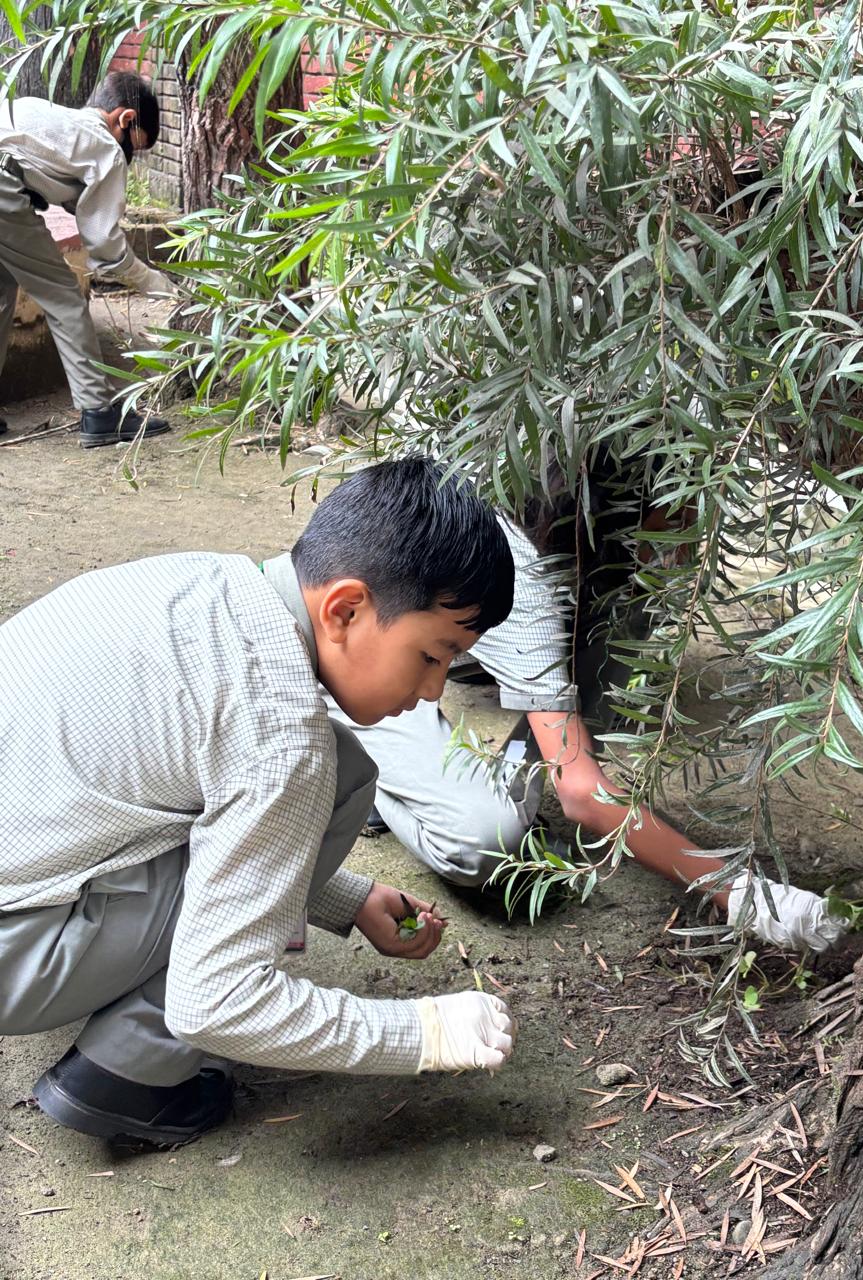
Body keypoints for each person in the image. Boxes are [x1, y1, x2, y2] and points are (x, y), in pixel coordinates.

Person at [0, 457, 517, 1148]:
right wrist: (425, 1032)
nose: (433, 691)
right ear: (346, 609)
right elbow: (216, 1001)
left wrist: (347, 898)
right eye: (432, 655)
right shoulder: (282, 736)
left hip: (28, 882)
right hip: (19, 954)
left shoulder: (203, 579)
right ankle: (130, 1071)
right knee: (336, 777)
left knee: (331, 769)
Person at [326, 508, 847, 954]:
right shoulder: (523, 581)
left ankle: (493, 695)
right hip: (377, 655)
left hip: (480, 621)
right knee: (484, 841)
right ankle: (370, 760)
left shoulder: (608, 548)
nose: (684, 555)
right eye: (678, 525)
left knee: (615, 654)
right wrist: (736, 891)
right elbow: (580, 793)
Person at [0, 71, 174, 447]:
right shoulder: (105, 145)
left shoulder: (47, 113)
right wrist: (159, 287)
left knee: (2, 290)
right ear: (125, 118)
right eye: (134, 148)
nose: (129, 158)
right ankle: (99, 413)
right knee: (64, 298)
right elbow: (105, 248)